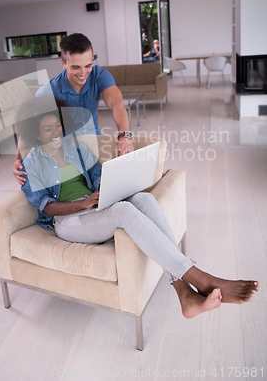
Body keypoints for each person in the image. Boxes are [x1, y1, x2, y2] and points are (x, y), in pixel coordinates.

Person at [15, 96, 259, 319]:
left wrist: (106, 189)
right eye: (48, 129)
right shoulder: (30, 164)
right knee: (124, 211)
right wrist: (83, 203)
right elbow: (46, 207)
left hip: (95, 206)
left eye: (58, 124)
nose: (57, 131)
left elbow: (98, 175)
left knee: (144, 200)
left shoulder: (76, 147)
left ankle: (185, 294)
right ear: (35, 134)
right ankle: (200, 278)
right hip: (69, 221)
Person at [13, 33, 134, 185]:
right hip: (65, 152)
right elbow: (29, 126)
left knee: (114, 183)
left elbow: (116, 103)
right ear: (63, 63)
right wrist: (18, 158)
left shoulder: (100, 75)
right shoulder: (49, 91)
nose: (83, 74)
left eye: (88, 66)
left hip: (94, 145)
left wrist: (124, 136)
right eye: (76, 67)